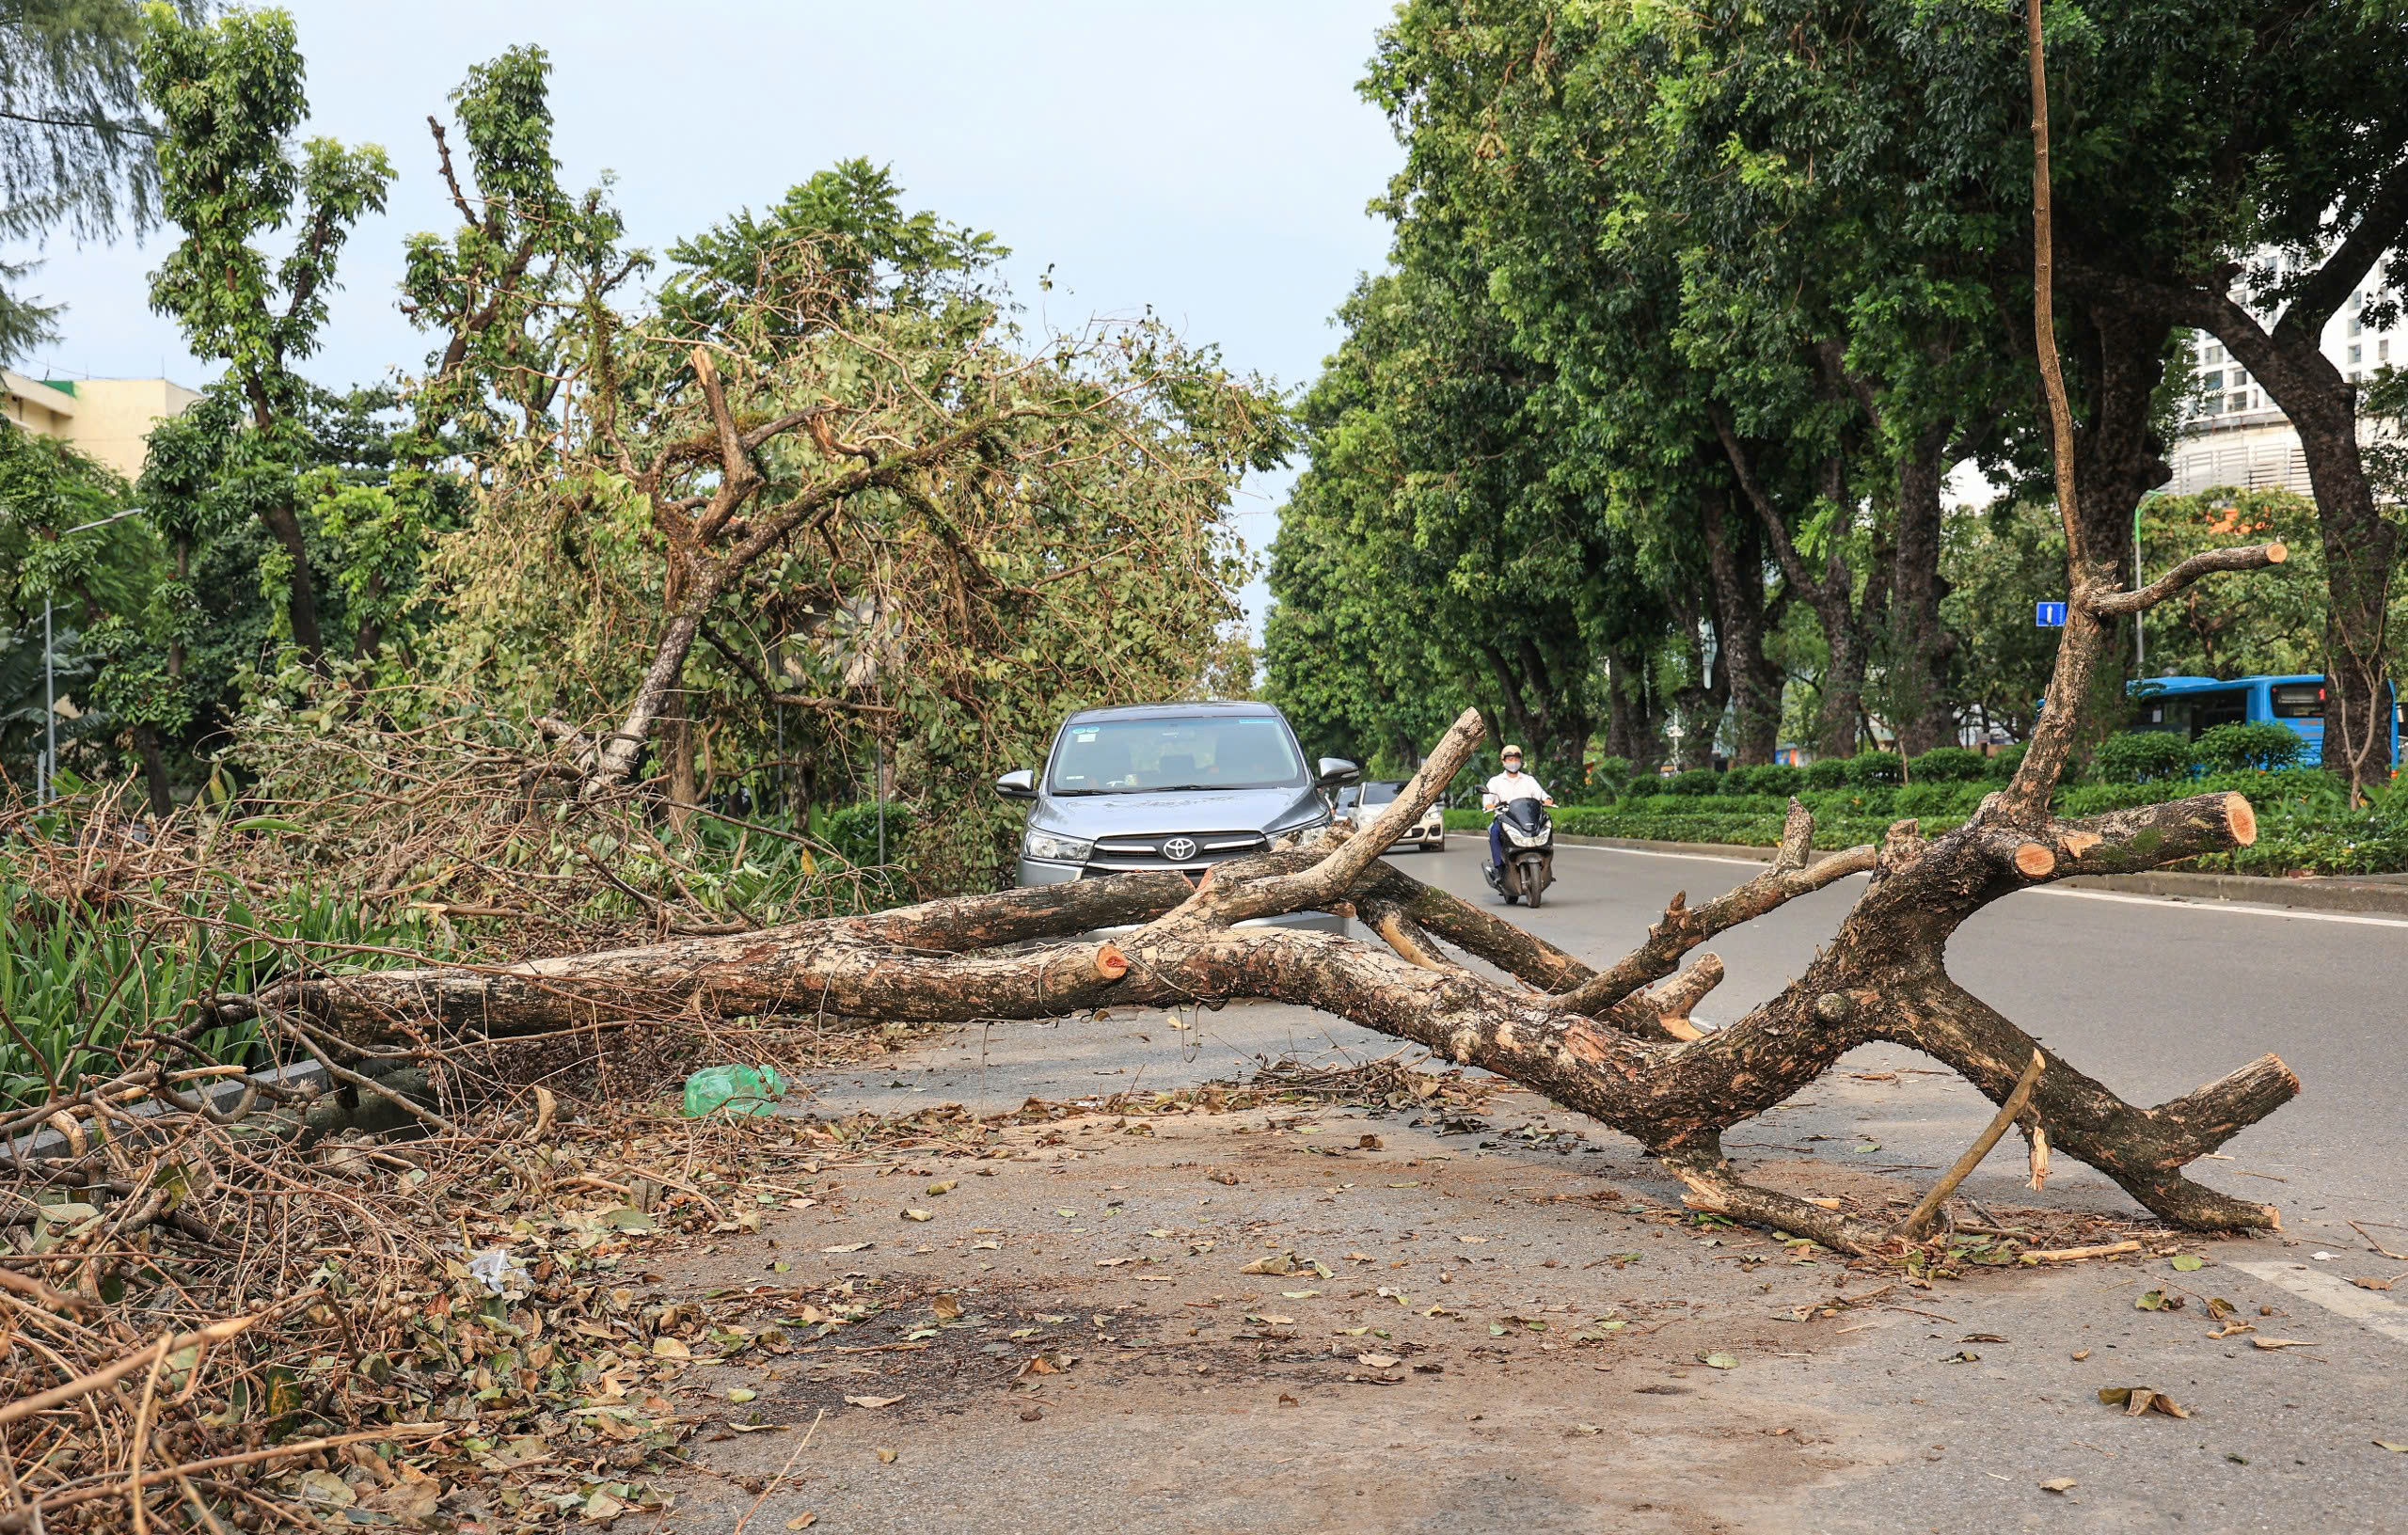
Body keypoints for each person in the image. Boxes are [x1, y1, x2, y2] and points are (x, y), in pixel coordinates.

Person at [1482, 746, 1553, 872]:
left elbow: (1540, 793)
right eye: (1509, 759)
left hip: (1527, 818)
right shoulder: (1495, 781)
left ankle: (1546, 864)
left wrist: (1547, 799)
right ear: (1503, 761)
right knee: (1494, 832)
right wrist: (1489, 805)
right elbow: (1488, 800)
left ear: (1520, 761)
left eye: (1515, 758)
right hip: (1505, 818)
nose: (1513, 762)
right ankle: (1499, 867)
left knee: (1546, 826)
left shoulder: (1529, 780)